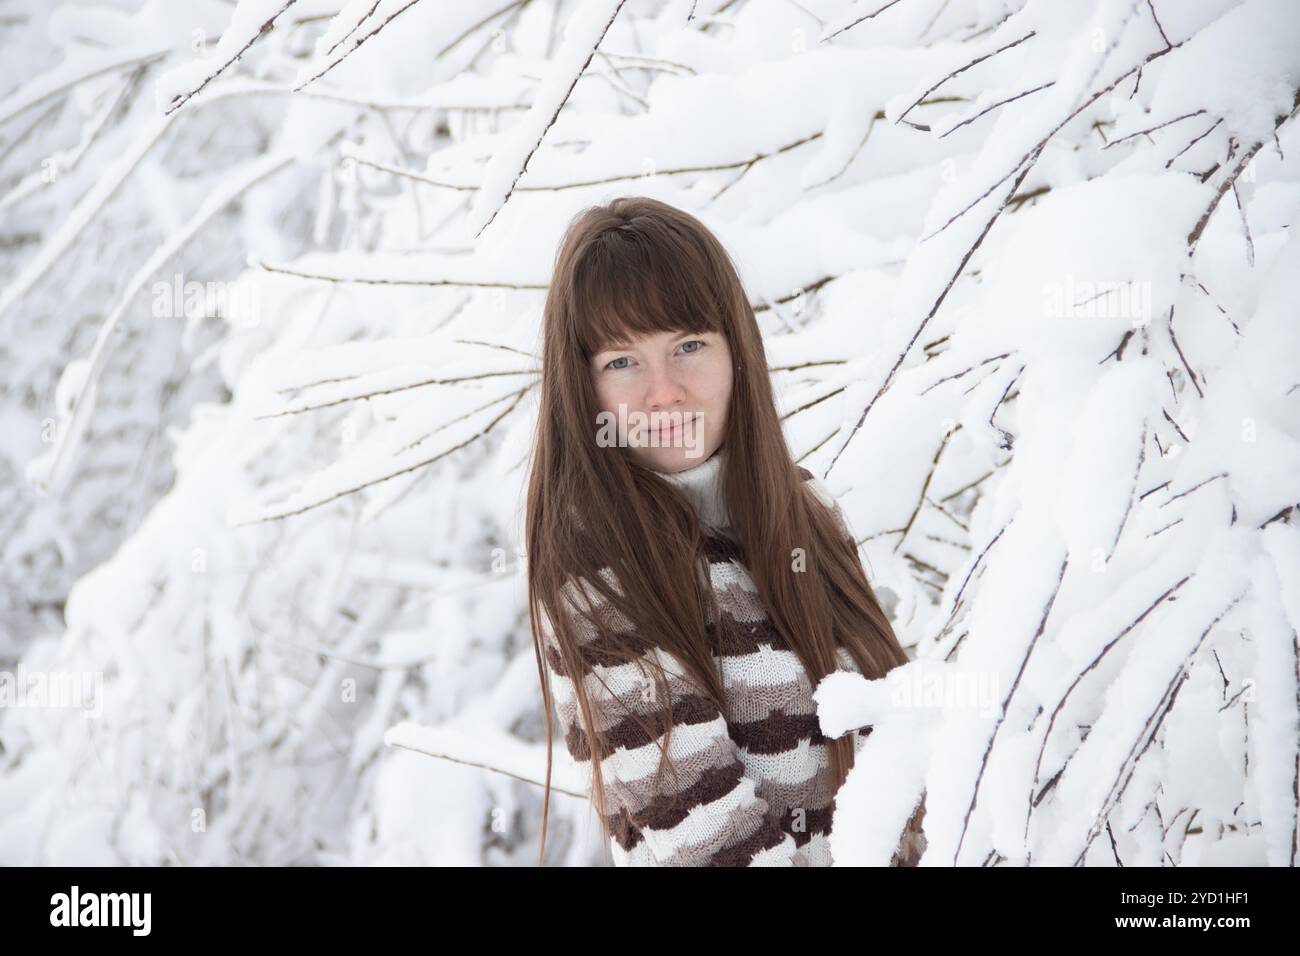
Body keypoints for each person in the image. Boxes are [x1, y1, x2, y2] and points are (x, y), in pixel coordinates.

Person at [525, 196, 925, 866]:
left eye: (689, 346)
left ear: (737, 352)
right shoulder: (598, 573)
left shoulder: (803, 511)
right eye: (622, 361)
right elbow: (708, 839)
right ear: (583, 387)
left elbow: (898, 747)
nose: (665, 392)